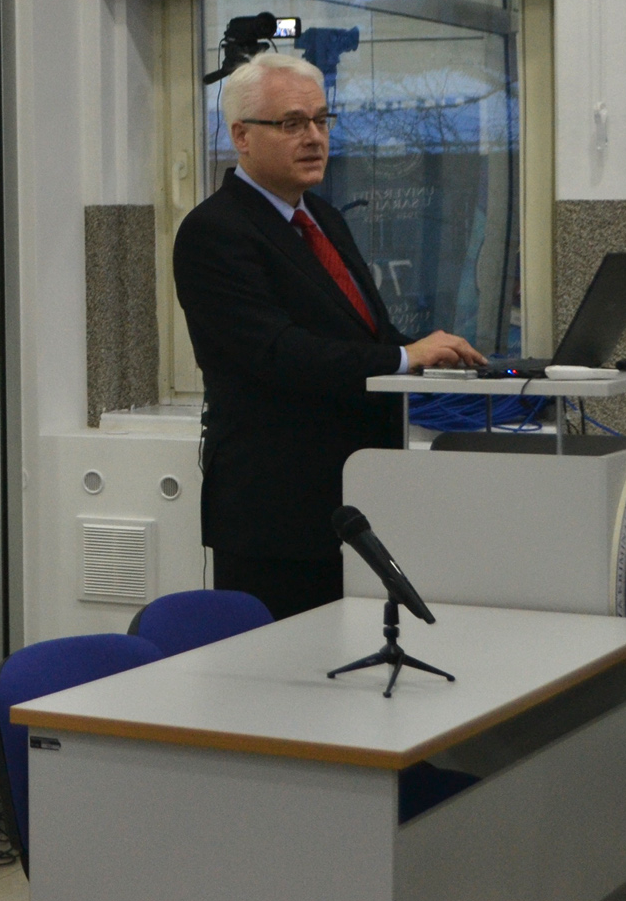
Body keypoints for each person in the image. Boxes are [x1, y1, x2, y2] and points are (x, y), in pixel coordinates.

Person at [173, 52, 485, 620]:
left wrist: (430, 353)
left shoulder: (322, 216)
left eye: (321, 120)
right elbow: (278, 353)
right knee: (286, 669)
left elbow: (362, 334)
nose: (314, 137)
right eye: (292, 123)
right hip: (278, 516)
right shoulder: (214, 231)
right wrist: (401, 357)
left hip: (358, 502)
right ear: (241, 136)